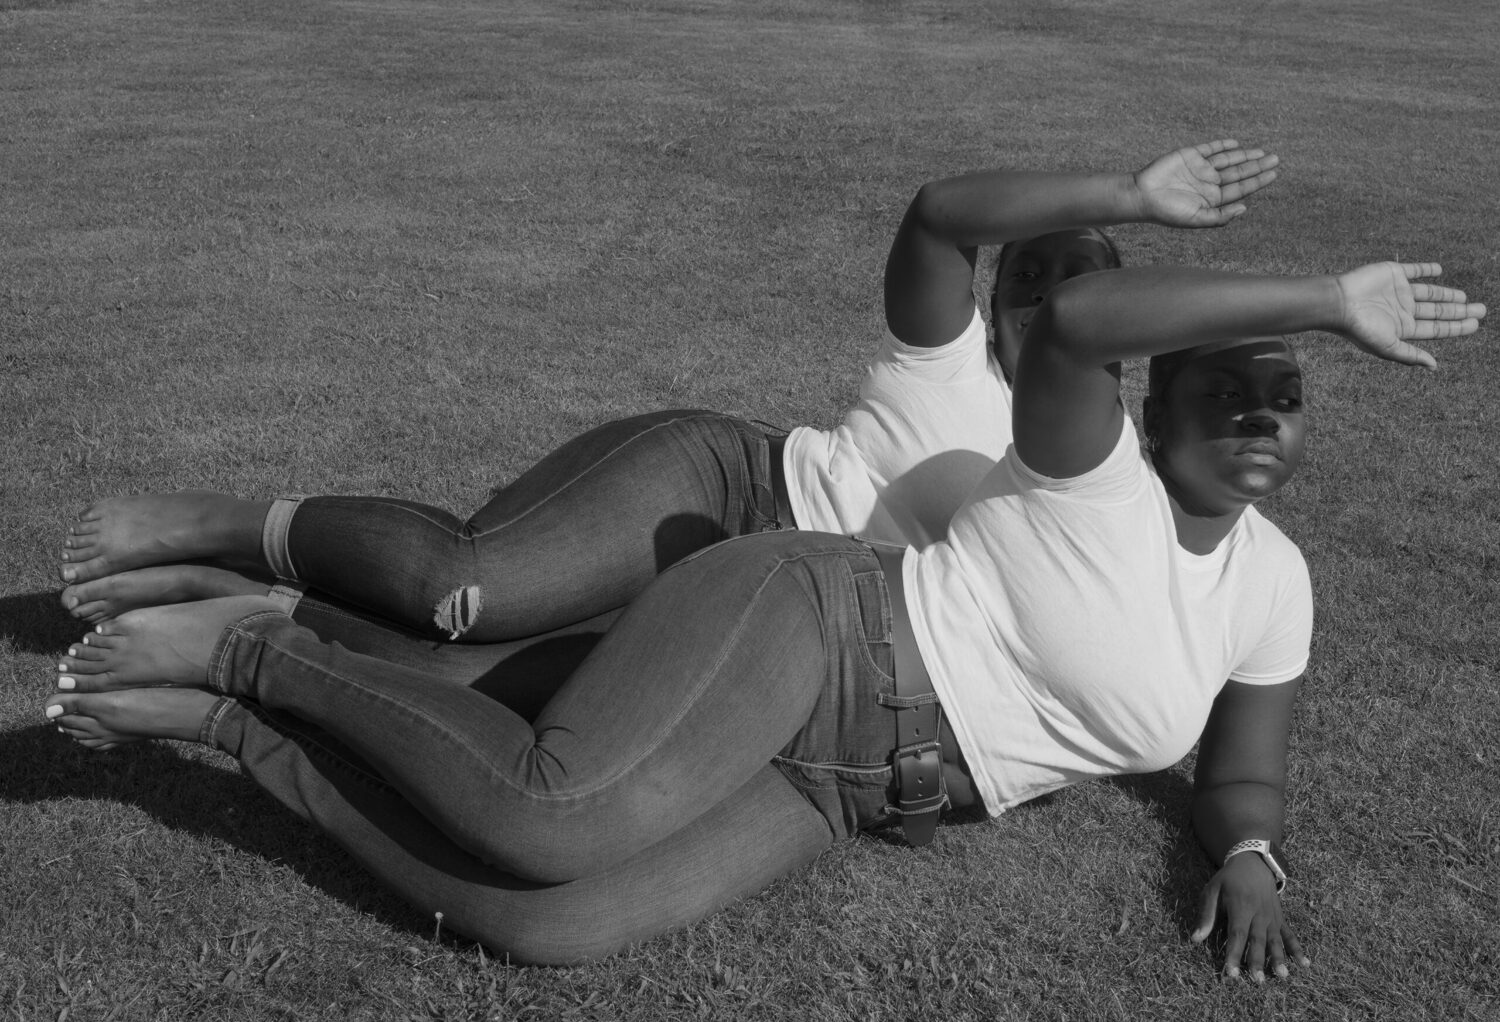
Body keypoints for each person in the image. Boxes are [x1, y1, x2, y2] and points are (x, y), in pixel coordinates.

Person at [43, 258, 1483, 976]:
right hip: (815, 619)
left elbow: (1242, 756)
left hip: (861, 789)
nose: (1261, 418)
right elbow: (1079, 317)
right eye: (1230, 390)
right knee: (552, 808)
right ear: (1158, 407)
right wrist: (1323, 294)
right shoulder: (1088, 464)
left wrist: (1247, 849)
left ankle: (238, 731)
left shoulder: (1276, 582)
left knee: (559, 928)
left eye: (1286, 398)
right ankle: (255, 647)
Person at [54, 142, 1277, 661]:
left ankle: (236, 599)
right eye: (1034, 276)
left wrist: (1243, 843)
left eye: (1085, 282)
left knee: (465, 678)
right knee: (465, 593)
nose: (1053, 295)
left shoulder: (1116, 462)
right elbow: (938, 216)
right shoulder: (944, 358)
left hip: (779, 619)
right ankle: (212, 522)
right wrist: (1134, 189)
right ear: (1002, 299)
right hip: (720, 490)